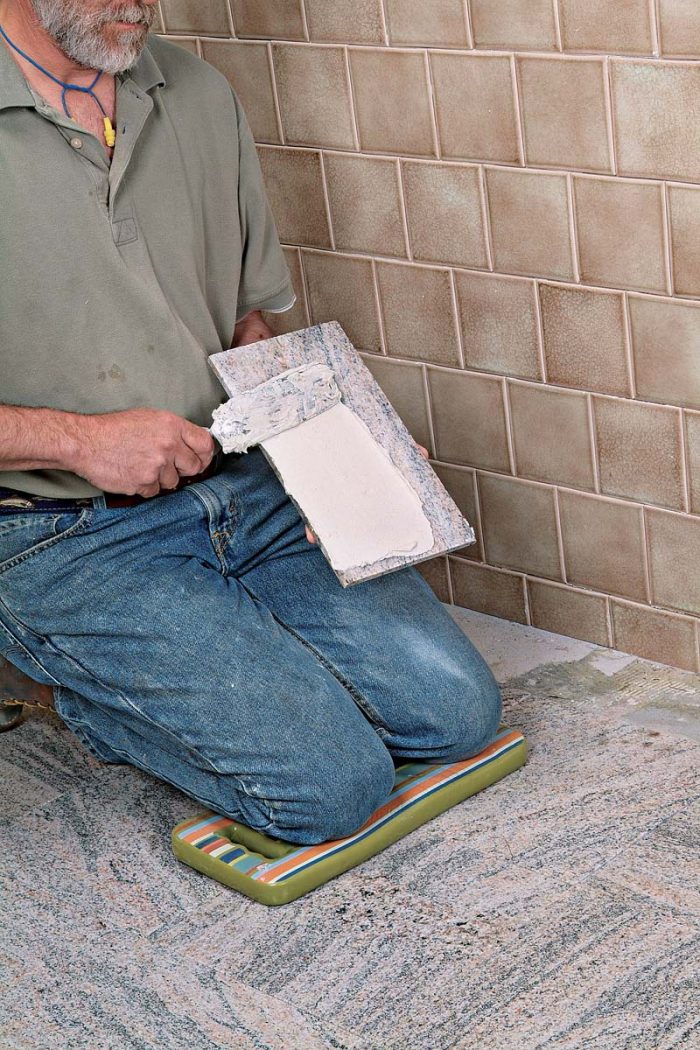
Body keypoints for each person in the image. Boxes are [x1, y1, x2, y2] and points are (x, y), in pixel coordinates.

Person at [0, 0, 502, 844]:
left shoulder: (197, 94)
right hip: (57, 534)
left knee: (458, 715)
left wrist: (338, 450)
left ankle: (210, 655)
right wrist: (81, 441)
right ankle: (46, 677)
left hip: (240, 486)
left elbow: (248, 327)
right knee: (326, 790)